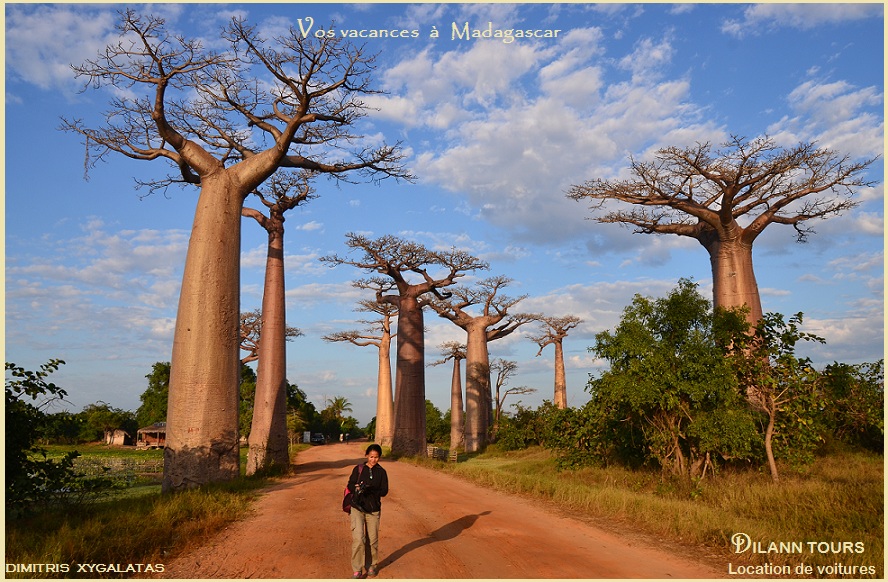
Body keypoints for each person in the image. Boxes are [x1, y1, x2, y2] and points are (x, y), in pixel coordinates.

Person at [346, 443, 389, 578]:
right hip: (357, 508)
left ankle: (371, 565)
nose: (373, 460)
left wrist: (372, 489)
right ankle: (357, 569)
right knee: (358, 539)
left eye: (376, 457)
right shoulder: (358, 469)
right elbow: (350, 485)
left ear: (379, 458)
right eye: (371, 457)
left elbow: (384, 491)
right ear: (366, 456)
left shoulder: (381, 472)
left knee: (372, 540)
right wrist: (358, 487)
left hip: (373, 510)